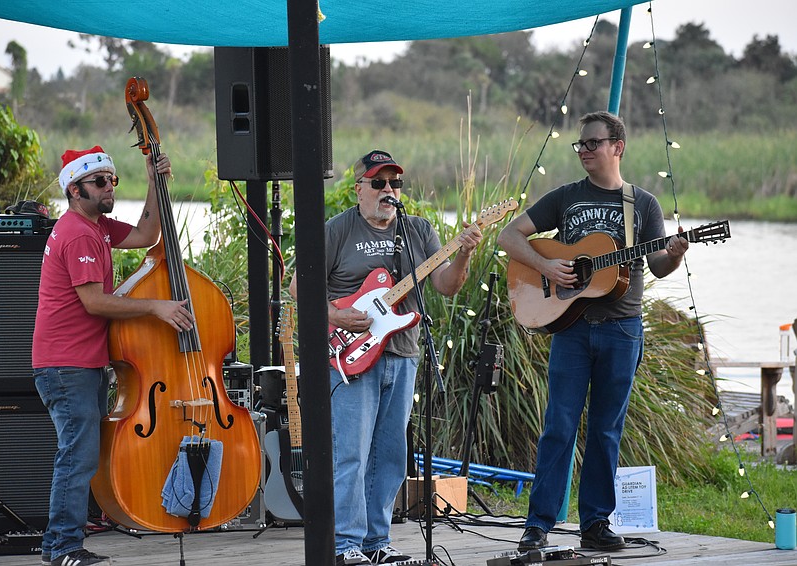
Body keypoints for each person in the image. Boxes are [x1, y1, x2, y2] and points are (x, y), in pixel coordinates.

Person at [497, 111, 688, 552]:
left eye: (592, 143)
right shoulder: (566, 198)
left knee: (606, 429)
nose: (583, 150)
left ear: (617, 147)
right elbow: (510, 237)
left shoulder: (643, 204)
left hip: (623, 329)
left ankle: (596, 524)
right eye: (580, 144)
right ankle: (538, 524)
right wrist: (548, 267)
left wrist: (675, 253)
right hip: (572, 329)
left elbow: (657, 266)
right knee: (558, 426)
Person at [289, 150, 481, 565]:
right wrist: (337, 313)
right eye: (378, 183)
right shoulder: (337, 230)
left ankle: (378, 543)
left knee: (391, 456)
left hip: (402, 353)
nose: (388, 191)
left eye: (395, 184)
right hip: (349, 357)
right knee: (352, 454)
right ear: (358, 188)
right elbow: (297, 289)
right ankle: (345, 545)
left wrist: (464, 252)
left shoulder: (418, 230)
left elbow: (447, 285)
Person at [33, 146, 195, 566]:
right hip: (66, 365)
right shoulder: (79, 233)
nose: (109, 188)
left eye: (112, 180)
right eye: (99, 182)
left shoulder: (98, 226)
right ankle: (66, 548)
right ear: (74, 188)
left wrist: (153, 179)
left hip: (78, 363)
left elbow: (147, 235)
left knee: (78, 454)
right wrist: (156, 307)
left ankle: (57, 546)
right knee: (78, 455)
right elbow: (94, 302)